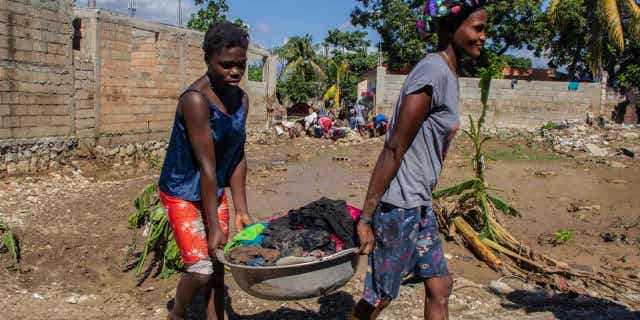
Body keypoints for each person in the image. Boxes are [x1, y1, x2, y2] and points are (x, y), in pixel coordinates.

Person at [352, 1, 488, 319]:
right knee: (380, 297)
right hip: (399, 206)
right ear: (451, 29)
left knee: (440, 286)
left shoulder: (448, 73)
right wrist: (366, 217)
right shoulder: (432, 71)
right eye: (477, 28)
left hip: (420, 203)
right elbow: (394, 147)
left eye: (484, 29)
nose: (483, 36)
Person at [158, 21, 254, 320]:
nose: (235, 72)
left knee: (218, 264)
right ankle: (178, 312)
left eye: (241, 65)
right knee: (200, 270)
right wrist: (213, 226)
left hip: (213, 188)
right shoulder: (195, 100)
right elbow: (207, 167)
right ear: (208, 60)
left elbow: (237, 155)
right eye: (226, 65)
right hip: (183, 189)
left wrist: (241, 209)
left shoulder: (241, 99)